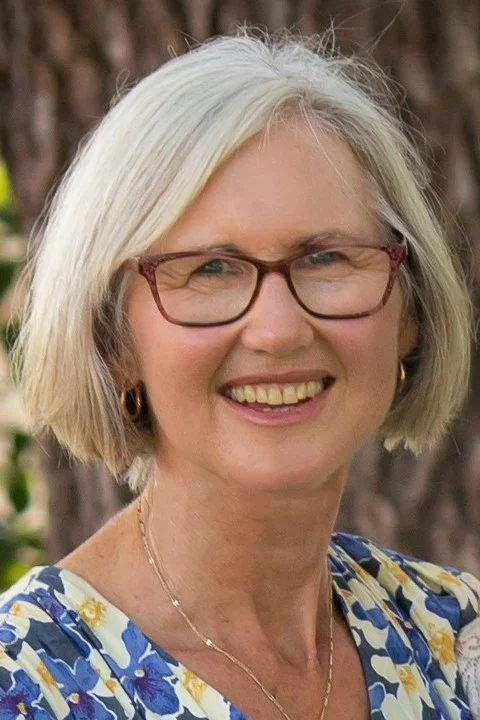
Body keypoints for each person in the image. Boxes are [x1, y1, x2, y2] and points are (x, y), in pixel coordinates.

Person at [0, 28, 479, 720]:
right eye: (210, 269)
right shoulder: (22, 684)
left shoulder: (456, 641)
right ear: (114, 340)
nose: (278, 331)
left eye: (326, 258)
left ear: (410, 316)